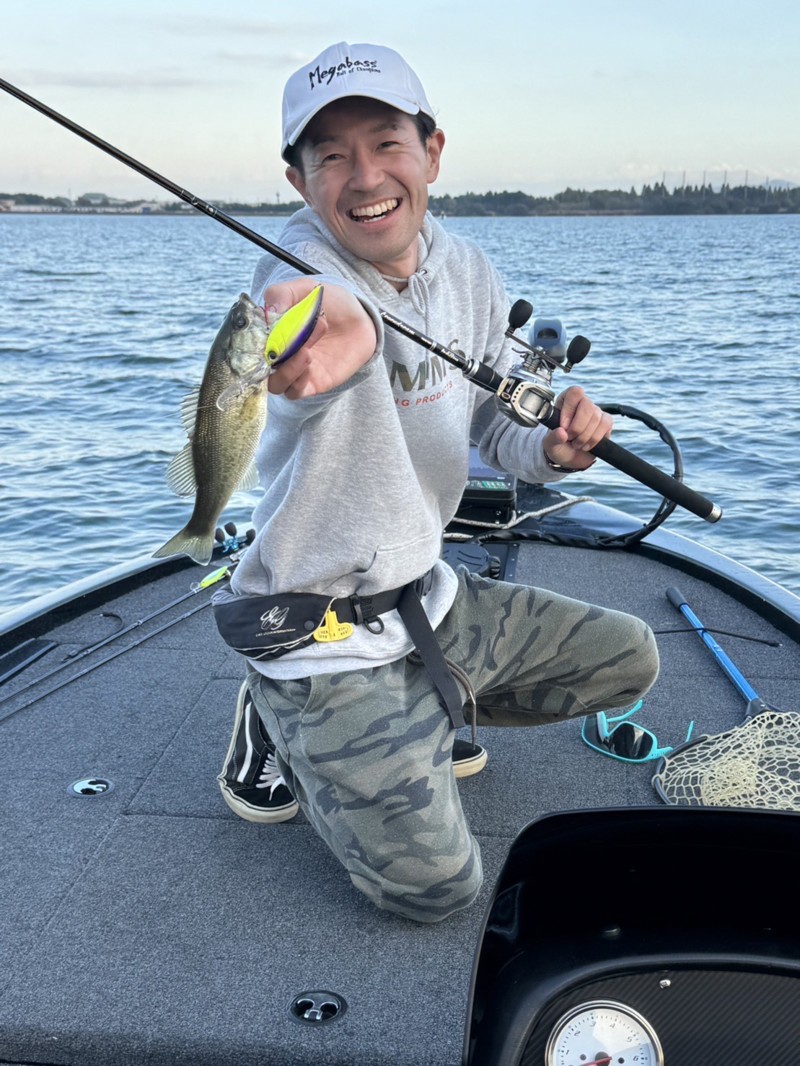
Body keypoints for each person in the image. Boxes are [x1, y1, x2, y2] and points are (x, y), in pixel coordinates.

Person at [213, 41, 660, 923]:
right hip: (317, 628)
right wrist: (333, 328)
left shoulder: (469, 272)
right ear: (299, 180)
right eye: (331, 156)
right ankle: (277, 717)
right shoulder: (293, 268)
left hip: (427, 596)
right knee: (437, 893)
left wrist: (555, 453)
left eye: (387, 143)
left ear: (433, 152)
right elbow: (311, 306)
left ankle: (418, 710)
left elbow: (493, 425)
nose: (364, 176)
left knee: (631, 659)